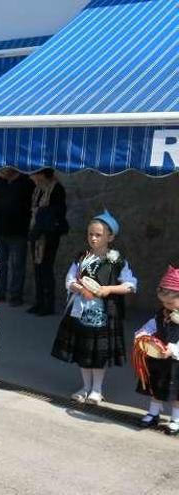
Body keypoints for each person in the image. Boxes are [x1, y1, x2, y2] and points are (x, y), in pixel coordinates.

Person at [51, 211, 136, 405]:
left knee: (98, 352)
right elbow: (70, 279)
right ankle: (85, 386)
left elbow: (130, 284)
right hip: (80, 311)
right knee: (83, 349)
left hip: (104, 314)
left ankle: (97, 389)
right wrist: (80, 288)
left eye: (98, 235)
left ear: (110, 237)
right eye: (90, 234)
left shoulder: (117, 261)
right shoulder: (82, 257)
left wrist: (107, 289)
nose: (93, 238)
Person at [135, 266, 179, 435]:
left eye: (170, 302)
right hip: (159, 360)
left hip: (175, 362)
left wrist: (174, 349)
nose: (166, 306)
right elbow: (152, 325)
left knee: (176, 393)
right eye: (163, 302)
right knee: (156, 386)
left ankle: (176, 419)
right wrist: (142, 335)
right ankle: (154, 413)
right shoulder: (162, 314)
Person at [0, 168, 34, 306]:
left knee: (17, 265)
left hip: (18, 232)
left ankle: (15, 297)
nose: (1, 169)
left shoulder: (27, 182)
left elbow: (34, 206)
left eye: (4, 167)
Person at [28, 168, 68, 316]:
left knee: (46, 269)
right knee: (37, 269)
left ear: (42, 175)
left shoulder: (56, 189)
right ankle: (38, 302)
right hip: (37, 233)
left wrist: (41, 213)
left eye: (35, 174)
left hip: (49, 235)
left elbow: (57, 212)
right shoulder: (38, 190)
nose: (33, 178)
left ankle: (48, 304)